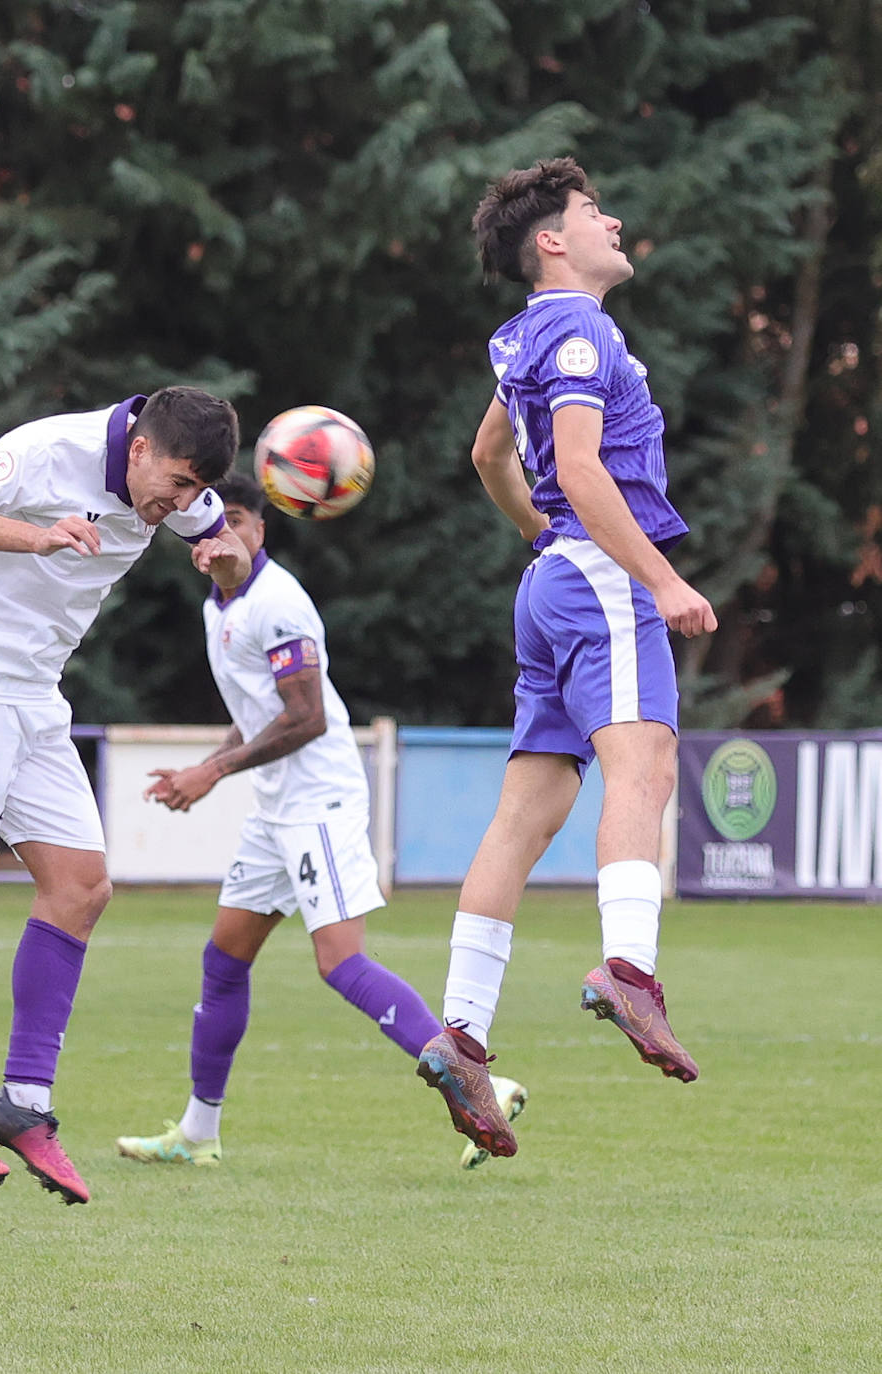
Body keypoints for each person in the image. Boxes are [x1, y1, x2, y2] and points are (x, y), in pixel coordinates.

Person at [416, 158, 718, 1159]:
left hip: (555, 582)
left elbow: (489, 457)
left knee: (523, 815)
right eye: (595, 211)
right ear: (553, 240)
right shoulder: (581, 329)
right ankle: (628, 968)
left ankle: (462, 1035)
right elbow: (581, 469)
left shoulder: (524, 336)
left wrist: (547, 546)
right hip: (598, 578)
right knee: (647, 767)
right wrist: (657, 581)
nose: (613, 220)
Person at [0, 385, 250, 1204]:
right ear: (138, 448)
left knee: (82, 889)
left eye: (199, 488)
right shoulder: (51, 450)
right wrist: (37, 535)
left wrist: (227, 561)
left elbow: (221, 538)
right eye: (178, 481)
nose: (183, 502)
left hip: (33, 698)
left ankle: (23, 1103)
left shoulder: (181, 495)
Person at [114, 472, 527, 1170]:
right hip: (275, 806)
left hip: (318, 800)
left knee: (339, 962)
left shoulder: (278, 604)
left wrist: (210, 773)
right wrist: (207, 771)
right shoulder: (220, 607)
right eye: (212, 524)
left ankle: (486, 1081)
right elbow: (259, 717)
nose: (225, 535)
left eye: (238, 520)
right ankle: (197, 1132)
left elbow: (303, 719)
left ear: (261, 530)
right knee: (223, 962)